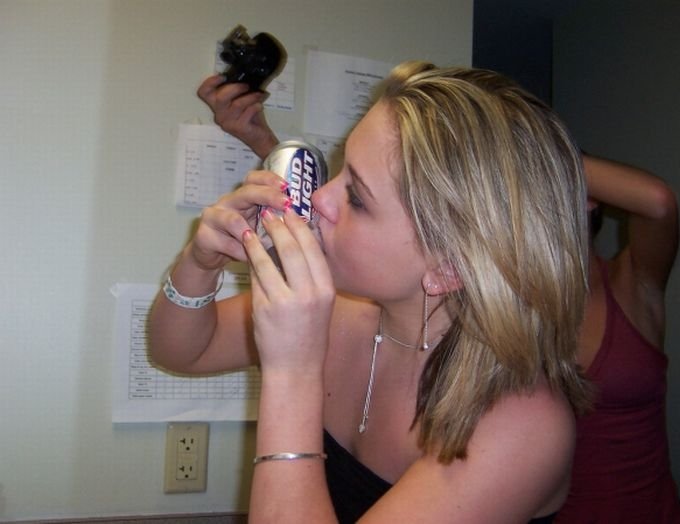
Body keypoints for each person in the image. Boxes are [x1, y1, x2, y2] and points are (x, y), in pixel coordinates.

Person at [149, 62, 592, 523]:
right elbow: (181, 351)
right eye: (340, 171)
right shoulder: (345, 309)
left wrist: (293, 372)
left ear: (447, 267)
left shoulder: (521, 425)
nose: (320, 198)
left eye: (357, 198)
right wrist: (199, 264)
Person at [555, 155, 680, 523]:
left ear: (589, 199)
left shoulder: (632, 284)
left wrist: (534, 146)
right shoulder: (513, 305)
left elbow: (658, 203)